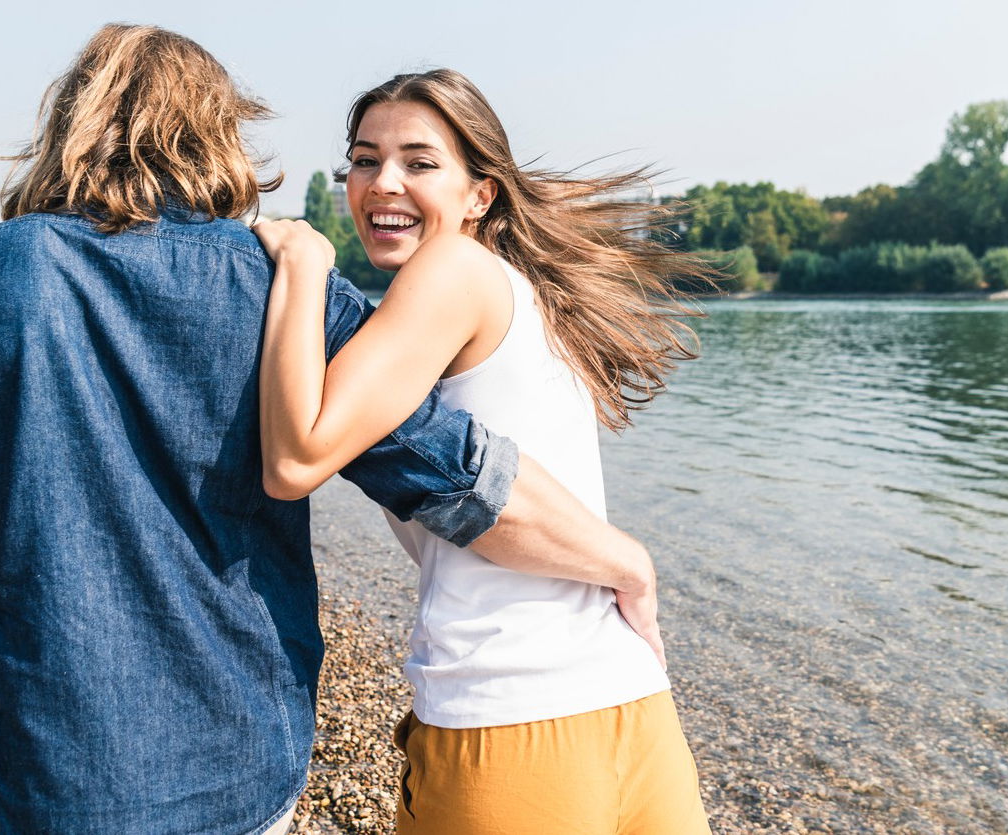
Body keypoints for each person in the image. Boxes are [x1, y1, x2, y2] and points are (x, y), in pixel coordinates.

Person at [0, 26, 662, 835]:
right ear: (216, 132)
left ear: (68, 125)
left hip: (33, 771)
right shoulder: (276, 284)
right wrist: (620, 560)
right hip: (237, 769)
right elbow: (450, 473)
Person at [252, 68, 711, 834]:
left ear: (479, 195)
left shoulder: (453, 268)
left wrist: (302, 265)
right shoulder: (519, 290)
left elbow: (295, 460)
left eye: (418, 162)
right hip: (630, 703)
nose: (381, 183)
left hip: (509, 718)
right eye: (364, 160)